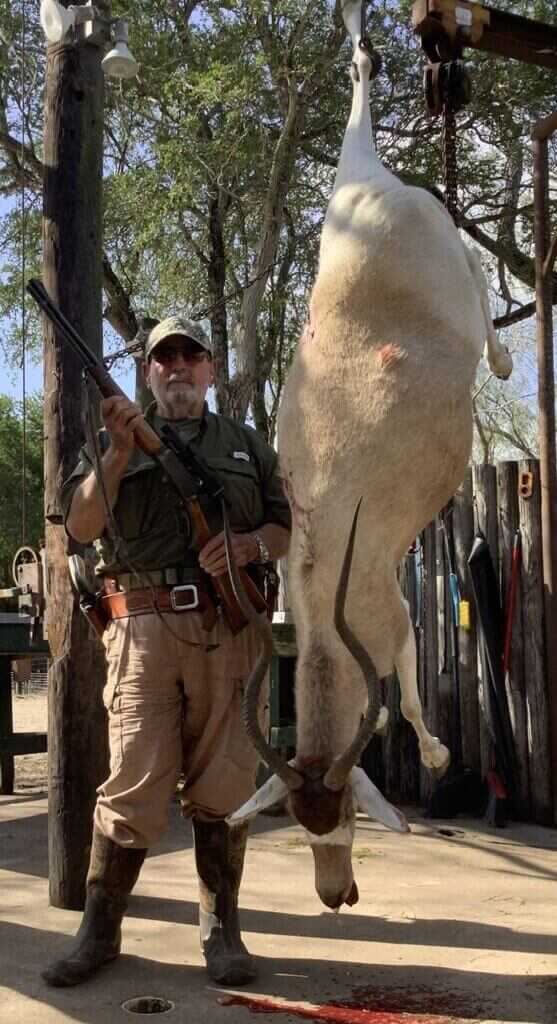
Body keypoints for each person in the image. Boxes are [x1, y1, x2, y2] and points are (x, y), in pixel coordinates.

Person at [42, 315, 291, 989]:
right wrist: (119, 457)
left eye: (190, 355)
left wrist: (248, 546)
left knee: (226, 782)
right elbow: (82, 527)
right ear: (148, 373)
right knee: (132, 785)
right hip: (143, 633)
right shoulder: (106, 443)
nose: (177, 366)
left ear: (210, 368)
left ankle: (221, 932)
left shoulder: (246, 445)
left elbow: (283, 528)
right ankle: (98, 934)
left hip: (231, 631)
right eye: (163, 358)